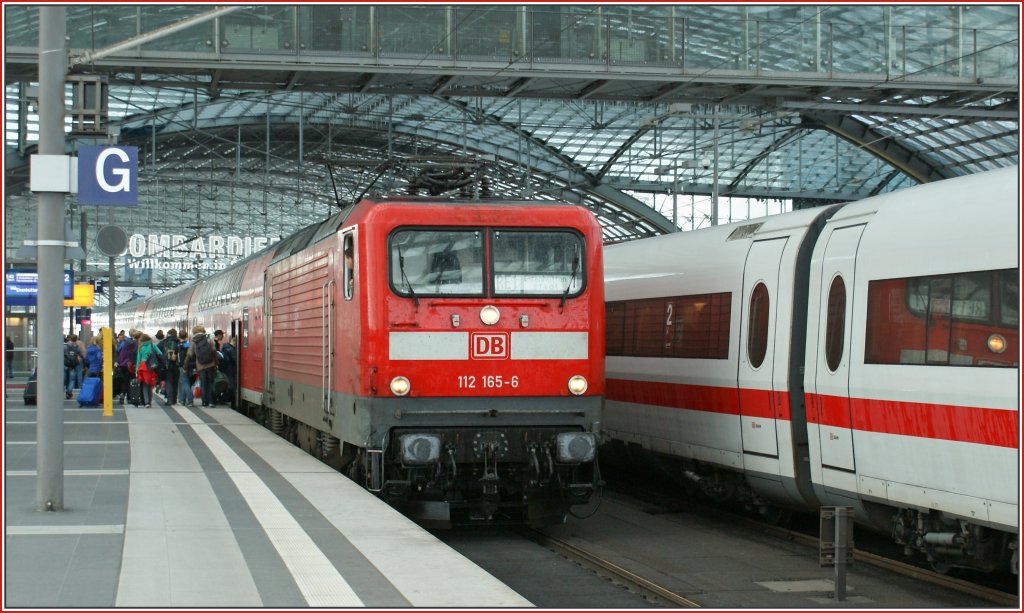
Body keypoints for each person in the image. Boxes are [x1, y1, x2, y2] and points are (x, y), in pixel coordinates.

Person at [183, 325, 218, 408]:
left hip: (200, 366)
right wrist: (216, 363)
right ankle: (211, 402)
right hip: (211, 365)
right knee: (210, 383)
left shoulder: (194, 342)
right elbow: (214, 352)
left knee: (203, 384)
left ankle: (204, 403)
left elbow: (189, 355)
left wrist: (185, 366)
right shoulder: (209, 340)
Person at [135, 333, 163, 408]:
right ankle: (149, 402)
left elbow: (138, 359)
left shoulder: (140, 347)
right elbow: (160, 353)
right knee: (150, 384)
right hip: (151, 366)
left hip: (143, 367)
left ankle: (146, 402)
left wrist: (136, 370)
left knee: (144, 384)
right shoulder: (152, 345)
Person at [158, 328, 180, 406]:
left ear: (168, 334)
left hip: (167, 366)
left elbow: (157, 352)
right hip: (176, 366)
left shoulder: (163, 342)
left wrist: (161, 362)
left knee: (169, 382)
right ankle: (174, 399)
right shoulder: (178, 342)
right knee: (175, 382)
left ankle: (170, 400)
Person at [218, 335, 238, 407]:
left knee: (230, 386)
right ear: (235, 342)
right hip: (230, 370)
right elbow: (235, 359)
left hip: (228, 370)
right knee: (231, 387)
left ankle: (223, 399)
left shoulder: (226, 347)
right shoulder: (230, 349)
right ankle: (222, 400)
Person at [63, 334, 84, 399]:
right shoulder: (77, 347)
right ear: (76, 339)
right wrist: (85, 363)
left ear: (70, 339)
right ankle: (69, 392)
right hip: (72, 365)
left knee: (64, 378)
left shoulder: (65, 346)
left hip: (65, 364)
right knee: (72, 379)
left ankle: (61, 389)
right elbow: (81, 356)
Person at [177, 329, 193, 407]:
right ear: (186, 336)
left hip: (183, 366)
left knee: (185, 383)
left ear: (179, 337)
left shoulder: (179, 346)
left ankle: (190, 400)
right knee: (185, 382)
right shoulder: (190, 345)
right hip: (191, 366)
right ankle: (182, 400)